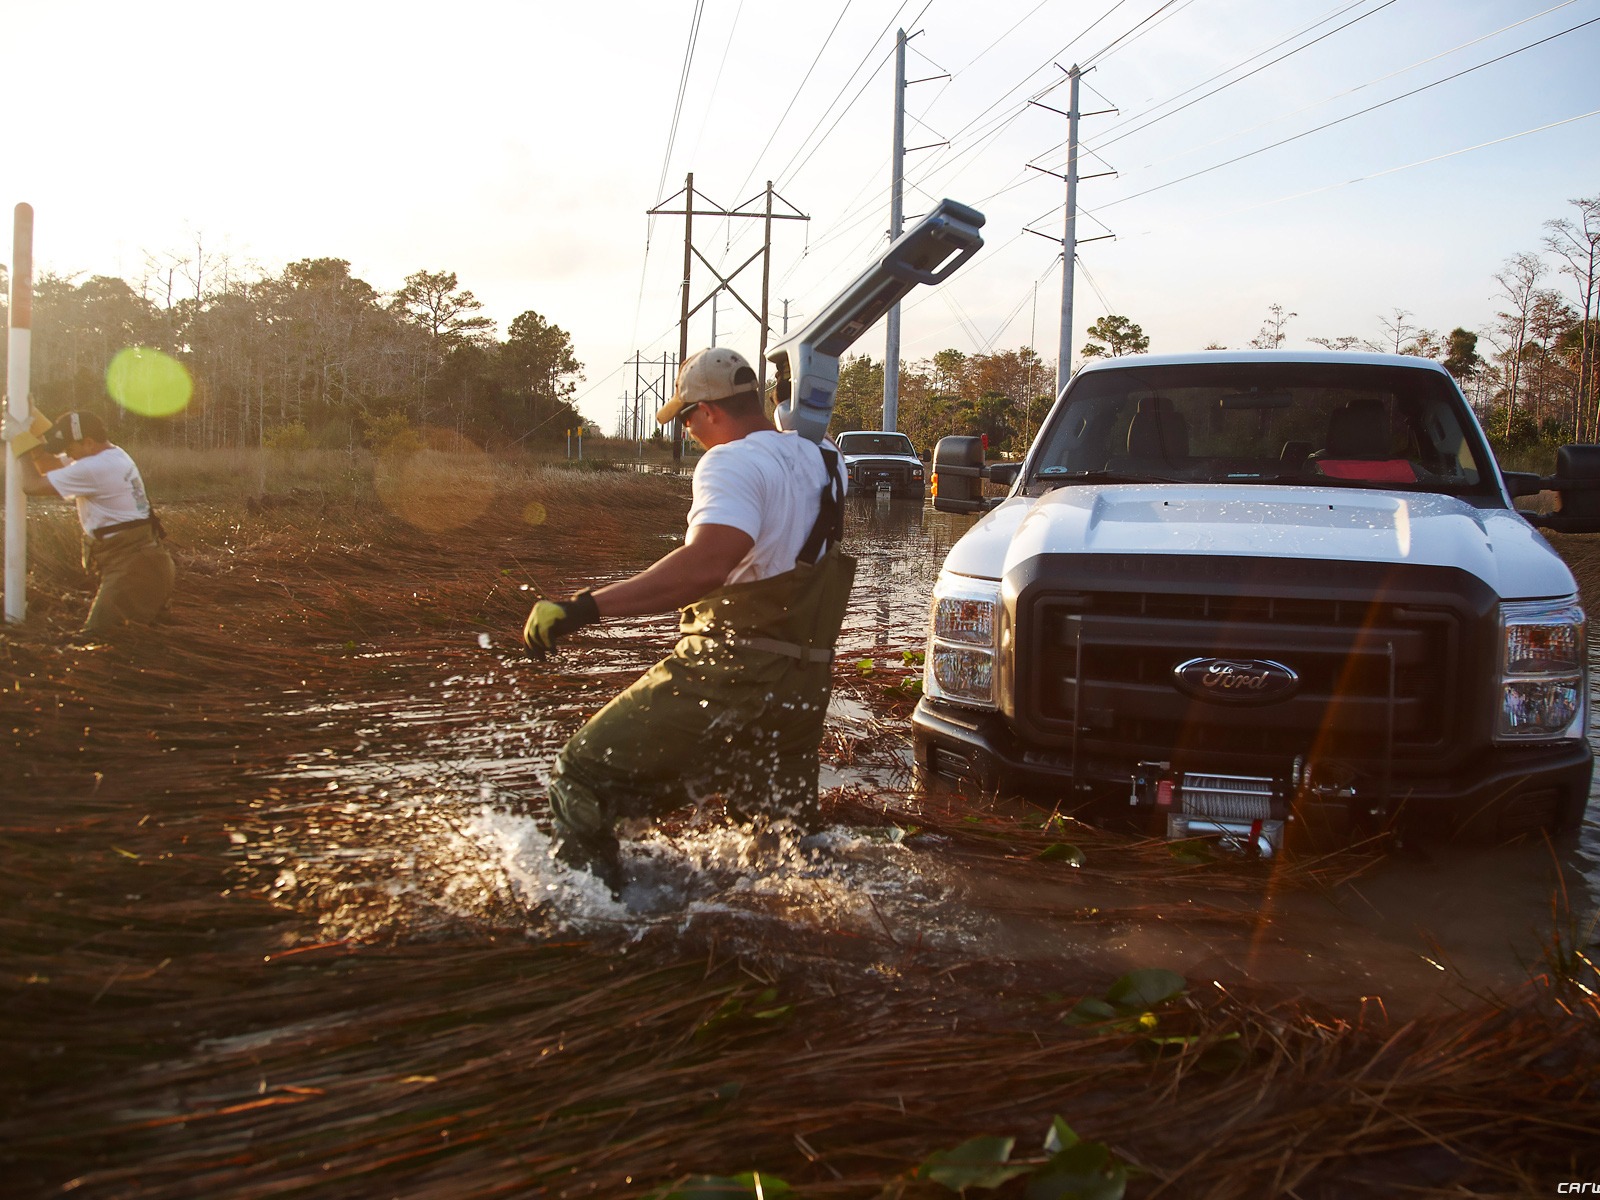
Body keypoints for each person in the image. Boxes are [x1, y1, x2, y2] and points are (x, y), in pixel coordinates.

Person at [521, 347, 853, 894]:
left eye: (685, 418)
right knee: (781, 845)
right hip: (802, 688)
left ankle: (589, 921)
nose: (687, 431)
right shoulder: (827, 460)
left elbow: (705, 566)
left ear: (710, 410)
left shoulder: (729, 463)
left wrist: (584, 608)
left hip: (731, 676)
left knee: (581, 773)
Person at [3, 409, 175, 638]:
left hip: (133, 571)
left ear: (88, 442)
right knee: (136, 646)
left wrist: (20, 443)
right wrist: (32, 418)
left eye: (69, 448)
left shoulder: (94, 468)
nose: (68, 455)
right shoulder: (110, 455)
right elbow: (48, 465)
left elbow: (32, 485)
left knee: (100, 645)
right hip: (143, 565)